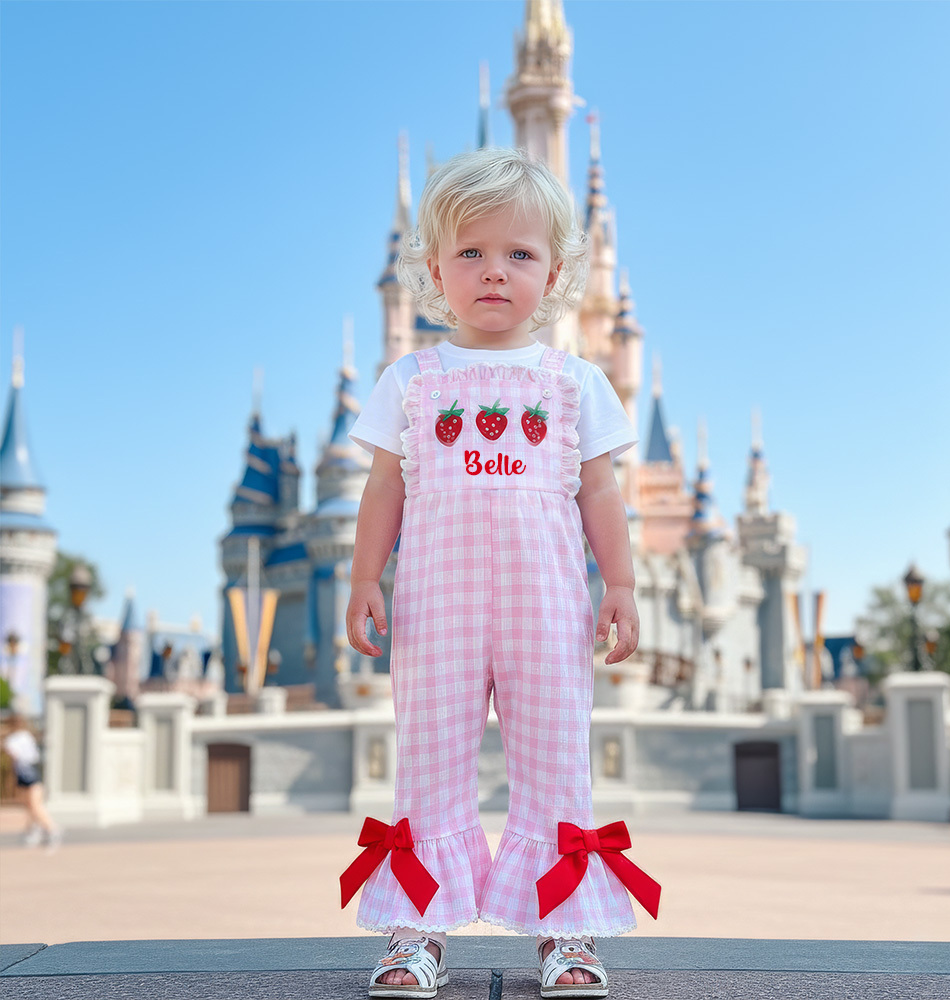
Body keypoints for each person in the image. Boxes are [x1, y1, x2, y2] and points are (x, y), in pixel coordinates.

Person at [342, 147, 660, 999]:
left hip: (546, 608)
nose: (494, 271)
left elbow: (602, 492)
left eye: (519, 253)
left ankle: (566, 929)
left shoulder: (576, 381)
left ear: (553, 274)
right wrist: (365, 578)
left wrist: (621, 585)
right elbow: (384, 487)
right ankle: (417, 930)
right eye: (471, 252)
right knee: (429, 762)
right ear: (433, 271)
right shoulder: (411, 380)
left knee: (557, 761)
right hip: (435, 609)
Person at [2, 713, 60, 850]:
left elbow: (15, 755)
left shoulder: (14, 739)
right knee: (30, 805)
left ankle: (52, 829)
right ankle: (34, 830)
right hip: (29, 773)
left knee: (34, 805)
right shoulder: (26, 736)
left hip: (27, 774)